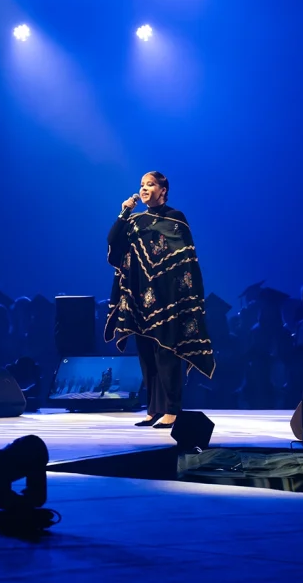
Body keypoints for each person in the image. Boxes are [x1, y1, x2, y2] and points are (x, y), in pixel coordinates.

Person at [105, 171, 215, 428]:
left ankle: (173, 410)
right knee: (145, 354)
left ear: (162, 190)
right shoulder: (134, 221)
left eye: (150, 184)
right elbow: (112, 242)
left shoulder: (175, 219)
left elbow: (183, 260)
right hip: (139, 298)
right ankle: (153, 410)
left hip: (167, 299)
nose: (144, 189)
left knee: (166, 353)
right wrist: (124, 213)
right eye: (142, 185)